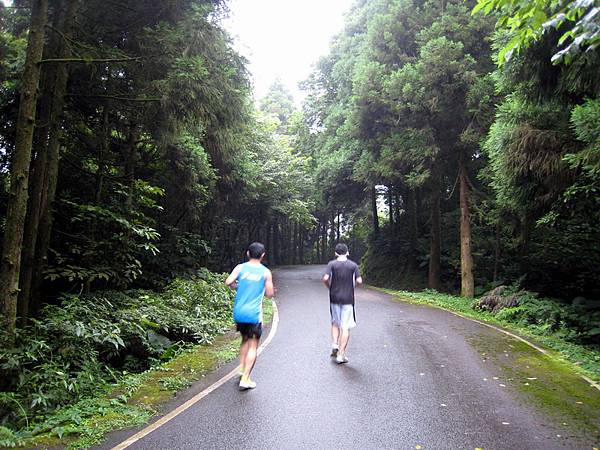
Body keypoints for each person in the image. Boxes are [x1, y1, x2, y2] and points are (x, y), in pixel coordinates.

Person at [225, 242, 274, 390]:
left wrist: (238, 286)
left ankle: (241, 370)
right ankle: (246, 379)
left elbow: (228, 282)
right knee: (253, 345)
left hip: (239, 312)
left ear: (248, 253)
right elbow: (270, 294)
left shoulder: (240, 267)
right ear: (263, 255)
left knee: (244, 339)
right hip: (254, 314)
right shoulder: (265, 272)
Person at [322, 243, 362, 364]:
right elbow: (359, 280)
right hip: (348, 299)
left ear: (335, 253)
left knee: (335, 322)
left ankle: (335, 344)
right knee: (345, 327)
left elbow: (325, 278)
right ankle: (341, 355)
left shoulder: (331, 264)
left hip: (334, 297)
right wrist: (353, 287)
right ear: (347, 252)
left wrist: (329, 287)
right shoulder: (353, 265)